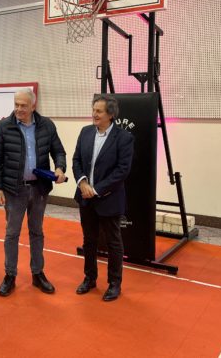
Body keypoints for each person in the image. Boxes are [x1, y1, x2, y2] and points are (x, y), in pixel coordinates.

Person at [0, 88, 67, 296]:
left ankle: (37, 273)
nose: (19, 109)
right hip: (13, 190)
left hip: (39, 188)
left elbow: (58, 151)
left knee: (37, 232)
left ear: (33, 105)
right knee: (12, 233)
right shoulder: (4, 126)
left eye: (23, 105)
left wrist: (60, 167)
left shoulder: (47, 125)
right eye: (16, 104)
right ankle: (10, 275)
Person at [72, 94, 134, 302]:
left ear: (111, 114)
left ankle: (114, 283)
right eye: (93, 110)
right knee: (89, 240)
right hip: (85, 197)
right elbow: (76, 160)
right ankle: (89, 278)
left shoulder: (124, 138)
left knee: (113, 242)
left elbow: (122, 170)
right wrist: (82, 183)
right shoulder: (85, 132)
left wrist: (96, 189)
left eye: (98, 111)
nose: (94, 114)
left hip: (108, 199)